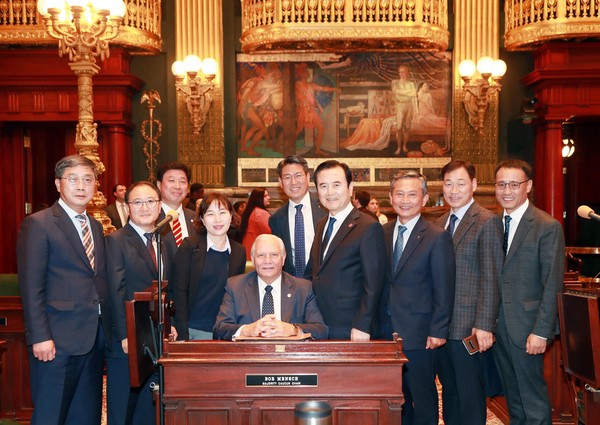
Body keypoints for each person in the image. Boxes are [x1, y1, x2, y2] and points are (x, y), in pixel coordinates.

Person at [17, 154, 112, 425]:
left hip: (92, 341)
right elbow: (31, 287)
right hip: (55, 343)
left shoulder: (94, 225)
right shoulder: (39, 224)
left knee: (85, 417)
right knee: (51, 416)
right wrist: (40, 337)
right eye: (73, 179)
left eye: (88, 179)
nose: (81, 186)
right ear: (58, 184)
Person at [492, 159, 565, 425]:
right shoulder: (493, 223)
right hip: (499, 328)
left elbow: (553, 283)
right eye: (501, 184)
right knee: (514, 400)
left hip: (529, 329)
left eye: (514, 184)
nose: (507, 191)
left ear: (529, 186)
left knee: (532, 401)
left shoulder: (546, 226)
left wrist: (542, 331)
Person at [380, 170, 455, 425]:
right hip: (386, 332)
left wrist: (438, 329)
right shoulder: (382, 232)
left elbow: (444, 287)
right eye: (399, 193)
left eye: (412, 194)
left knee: (422, 397)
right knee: (395, 398)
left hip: (421, 333)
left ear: (424, 199)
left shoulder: (437, 236)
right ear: (390, 198)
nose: (405, 199)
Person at [435, 160, 504, 425]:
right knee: (450, 395)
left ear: (473, 185)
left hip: (469, 330)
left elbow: (491, 277)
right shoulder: (440, 223)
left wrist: (484, 325)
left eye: (460, 183)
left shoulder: (486, 221)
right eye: (448, 183)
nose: (454, 190)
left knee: (471, 397)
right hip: (443, 328)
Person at [105, 181, 177, 425]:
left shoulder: (165, 240)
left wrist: (171, 324)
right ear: (127, 208)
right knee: (124, 407)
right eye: (137, 202)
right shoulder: (116, 240)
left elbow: (168, 289)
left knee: (150, 408)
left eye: (150, 202)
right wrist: (125, 334)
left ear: (159, 207)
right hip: (128, 340)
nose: (144, 207)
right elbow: (115, 290)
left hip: (156, 338)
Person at [308, 160, 386, 340]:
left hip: (351, 327)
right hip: (321, 322)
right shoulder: (322, 225)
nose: (330, 192)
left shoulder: (368, 226)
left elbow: (374, 283)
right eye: (323, 186)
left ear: (350, 188)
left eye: (336, 185)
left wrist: (363, 325)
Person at [214, 234, 328, 341]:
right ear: (253, 259)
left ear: (283, 258)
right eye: (261, 255)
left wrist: (293, 330)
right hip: (249, 357)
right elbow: (220, 328)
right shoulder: (235, 286)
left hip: (288, 358)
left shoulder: (302, 288)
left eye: (274, 255)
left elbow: (321, 330)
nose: (267, 261)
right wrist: (247, 330)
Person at [173, 193, 247, 340]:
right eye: (210, 214)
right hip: (194, 330)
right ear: (202, 219)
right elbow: (179, 292)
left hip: (226, 331)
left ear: (231, 216)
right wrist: (182, 334)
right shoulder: (190, 246)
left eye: (222, 213)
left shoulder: (238, 251)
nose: (217, 219)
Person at [269, 155, 327, 278]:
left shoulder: (326, 208)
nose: (293, 182)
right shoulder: (276, 219)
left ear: (307, 177)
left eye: (298, 175)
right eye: (287, 177)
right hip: (293, 289)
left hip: (325, 285)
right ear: (280, 182)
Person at [156, 162, 196, 247]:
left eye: (182, 181)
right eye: (171, 181)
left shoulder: (195, 218)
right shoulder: (151, 218)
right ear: (159, 185)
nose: (177, 186)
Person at [391, 65, 418, 155]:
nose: (401, 74)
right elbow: (396, 93)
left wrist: (401, 92)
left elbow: (414, 93)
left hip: (409, 106)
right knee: (399, 128)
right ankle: (398, 147)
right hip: (400, 105)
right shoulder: (395, 83)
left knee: (407, 127)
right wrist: (408, 93)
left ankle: (404, 146)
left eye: (403, 72)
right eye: (400, 72)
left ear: (407, 73)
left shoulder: (411, 83)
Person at [240, 187, 272, 260]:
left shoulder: (251, 211)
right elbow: (271, 233)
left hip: (248, 249)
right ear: (258, 199)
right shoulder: (261, 214)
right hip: (258, 252)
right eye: (265, 196)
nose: (269, 197)